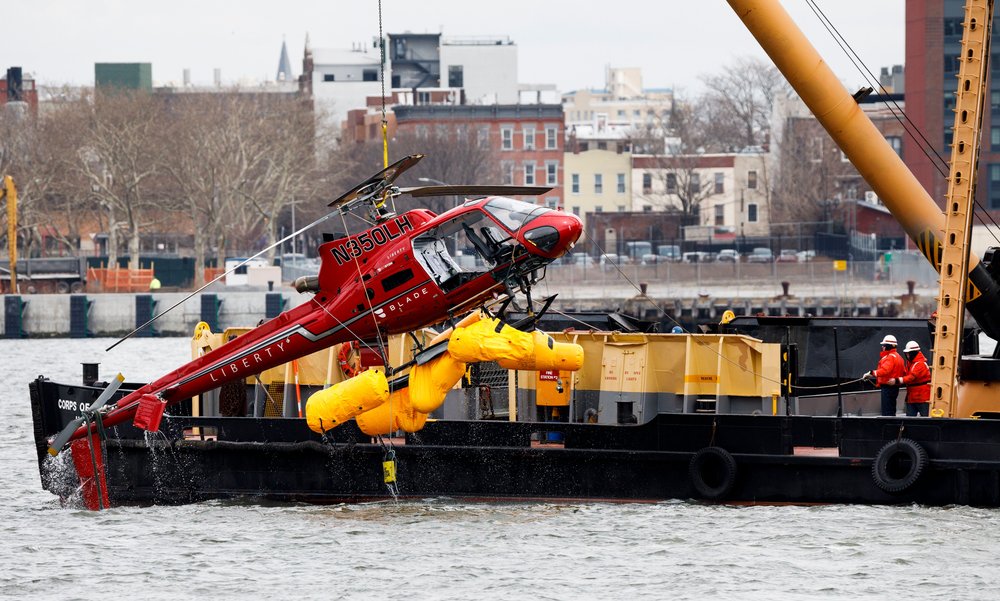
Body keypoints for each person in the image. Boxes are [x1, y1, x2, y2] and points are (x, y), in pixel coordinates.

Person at [862, 334, 906, 416]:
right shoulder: (899, 357)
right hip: (895, 387)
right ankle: (892, 425)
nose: (882, 347)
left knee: (887, 411)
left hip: (888, 387)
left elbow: (884, 371)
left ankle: (888, 426)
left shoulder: (890, 357)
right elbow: (903, 372)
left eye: (884, 345)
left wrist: (871, 373)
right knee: (892, 409)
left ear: (888, 346)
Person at [893, 340, 931, 417]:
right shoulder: (911, 364)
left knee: (926, 418)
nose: (907, 355)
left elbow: (911, 377)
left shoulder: (920, 364)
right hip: (912, 397)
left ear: (913, 353)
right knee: (910, 418)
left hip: (922, 398)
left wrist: (897, 380)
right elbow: (906, 374)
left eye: (908, 353)